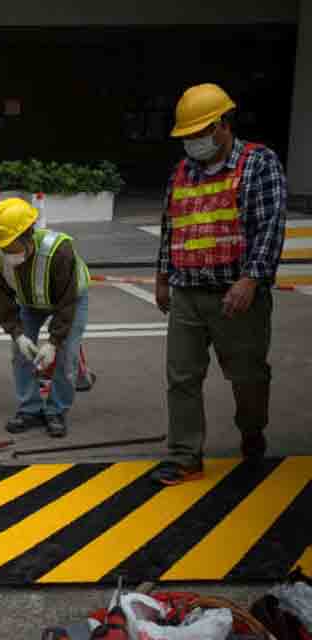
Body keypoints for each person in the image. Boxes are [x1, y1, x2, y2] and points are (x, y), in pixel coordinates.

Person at [151, 83, 287, 486]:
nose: (192, 143)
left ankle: (252, 431)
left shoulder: (258, 163)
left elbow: (270, 226)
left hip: (238, 295)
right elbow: (170, 227)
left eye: (199, 134)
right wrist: (161, 278)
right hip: (188, 293)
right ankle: (185, 456)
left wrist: (251, 279)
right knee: (182, 377)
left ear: (223, 125)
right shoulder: (182, 172)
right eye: (187, 136)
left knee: (247, 376)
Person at [0, 198, 91, 438]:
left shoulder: (60, 252)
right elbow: (5, 303)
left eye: (12, 247)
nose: (8, 254)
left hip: (69, 299)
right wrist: (18, 335)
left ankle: (57, 410)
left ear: (28, 236)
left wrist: (54, 343)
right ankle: (30, 408)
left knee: (66, 356)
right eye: (4, 248)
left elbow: (67, 304)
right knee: (20, 353)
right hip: (30, 302)